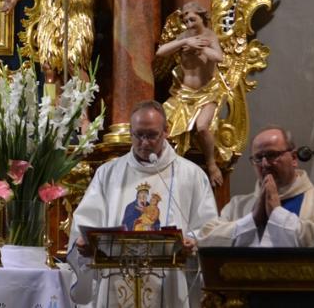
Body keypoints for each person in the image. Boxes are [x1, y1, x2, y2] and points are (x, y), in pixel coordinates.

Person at [68, 101, 217, 308]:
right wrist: (84, 244)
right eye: (138, 135)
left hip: (169, 284)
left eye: (152, 135)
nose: (144, 143)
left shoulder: (191, 175)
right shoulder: (108, 174)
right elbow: (85, 223)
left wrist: (192, 241)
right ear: (130, 132)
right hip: (115, 277)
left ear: (166, 131)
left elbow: (209, 228)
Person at [198, 126, 314, 247]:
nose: (264, 164)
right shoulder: (238, 205)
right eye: (258, 158)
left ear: (294, 158)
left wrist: (277, 214)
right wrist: (252, 220)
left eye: (272, 155)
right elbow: (205, 239)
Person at [156, 2, 227, 187]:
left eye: (192, 19)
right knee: (162, 124)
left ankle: (211, 165)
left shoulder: (210, 36)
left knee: (202, 126)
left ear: (202, 17)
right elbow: (160, 52)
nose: (188, 23)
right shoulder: (183, 37)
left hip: (207, 94)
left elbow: (219, 57)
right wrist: (185, 42)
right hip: (183, 94)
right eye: (186, 20)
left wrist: (200, 48)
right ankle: (165, 167)